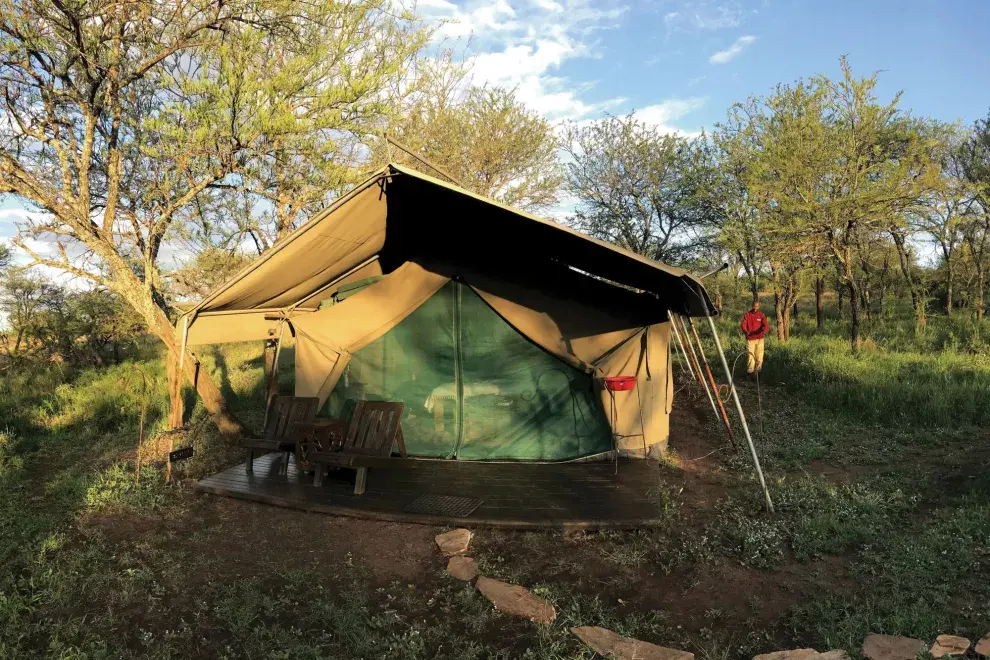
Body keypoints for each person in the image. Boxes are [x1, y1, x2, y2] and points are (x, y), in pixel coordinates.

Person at [740, 299, 769, 375]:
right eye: (754, 306)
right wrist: (746, 331)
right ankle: (750, 372)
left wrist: (764, 331)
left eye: (757, 306)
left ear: (758, 307)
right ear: (752, 306)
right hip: (750, 339)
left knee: (759, 356)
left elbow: (766, 325)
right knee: (750, 355)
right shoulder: (747, 315)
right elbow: (743, 325)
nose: (755, 308)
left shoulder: (761, 315)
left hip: (760, 338)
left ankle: (758, 372)